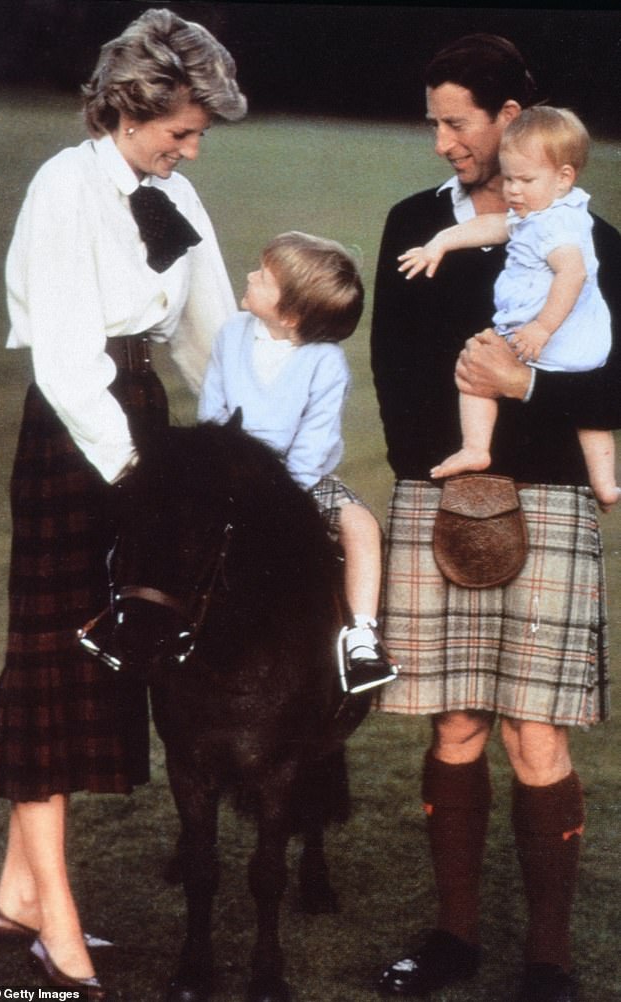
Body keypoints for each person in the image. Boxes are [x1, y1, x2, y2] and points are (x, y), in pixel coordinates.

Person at [0, 9, 246, 998]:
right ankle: (55, 924)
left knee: (104, 656)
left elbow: (209, 332)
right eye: (181, 129)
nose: (191, 147)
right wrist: (132, 470)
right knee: (56, 659)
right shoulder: (65, 186)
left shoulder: (167, 193)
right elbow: (60, 354)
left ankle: (15, 892)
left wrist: (244, 444)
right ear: (131, 108)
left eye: (197, 135)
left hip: (139, 411)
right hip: (74, 432)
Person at [370, 33, 621, 1002]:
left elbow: (610, 385)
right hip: (439, 493)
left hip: (552, 499)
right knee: (457, 724)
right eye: (433, 121)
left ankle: (548, 962)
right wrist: (448, 487)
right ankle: (454, 938)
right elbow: (395, 382)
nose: (441, 142)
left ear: (511, 121)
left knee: (536, 735)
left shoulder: (591, 244)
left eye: (456, 122)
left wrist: (521, 396)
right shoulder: (410, 222)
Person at [199, 231, 399, 694]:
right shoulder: (231, 334)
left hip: (299, 481)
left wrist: (276, 493)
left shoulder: (325, 363)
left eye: (263, 277)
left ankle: (361, 637)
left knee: (361, 526)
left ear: (289, 315)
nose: (249, 275)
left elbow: (315, 443)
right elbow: (213, 411)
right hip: (228, 470)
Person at [399, 105, 619, 511]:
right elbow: (493, 226)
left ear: (564, 178)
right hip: (562, 338)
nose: (513, 190)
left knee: (476, 376)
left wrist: (541, 328)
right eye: (509, 178)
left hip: (555, 334)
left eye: (525, 180)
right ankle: (603, 483)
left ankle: (477, 446)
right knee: (586, 416)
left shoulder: (558, 225)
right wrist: (441, 242)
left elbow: (573, 275)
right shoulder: (541, 211)